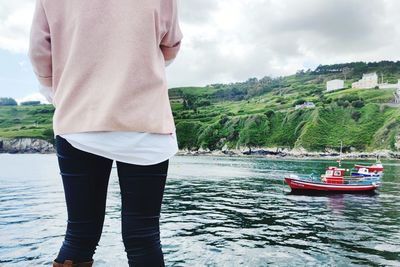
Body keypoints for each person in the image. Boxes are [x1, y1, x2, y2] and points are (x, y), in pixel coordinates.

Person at [28, 0, 183, 266]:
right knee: (144, 237)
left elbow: (39, 52)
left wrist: (59, 91)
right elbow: (170, 44)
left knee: (79, 235)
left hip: (79, 119)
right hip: (145, 121)